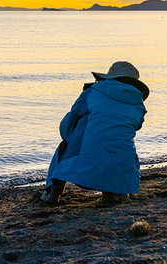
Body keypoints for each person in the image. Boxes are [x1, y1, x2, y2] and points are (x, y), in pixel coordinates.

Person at [41, 61, 149, 205]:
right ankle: (112, 194)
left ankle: (53, 195)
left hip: (85, 168)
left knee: (64, 147)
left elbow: (71, 120)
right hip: (121, 168)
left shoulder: (92, 91)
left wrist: (71, 137)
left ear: (110, 77)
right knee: (122, 146)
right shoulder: (138, 103)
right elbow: (135, 126)